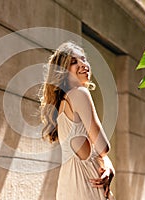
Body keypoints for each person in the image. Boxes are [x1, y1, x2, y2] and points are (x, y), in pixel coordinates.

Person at [40, 41, 115, 200]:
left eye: (83, 59)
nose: (83, 64)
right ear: (63, 71)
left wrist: (108, 165)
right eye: (73, 62)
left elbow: (95, 153)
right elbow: (103, 147)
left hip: (71, 185)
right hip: (84, 186)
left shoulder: (63, 103)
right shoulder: (80, 94)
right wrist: (105, 159)